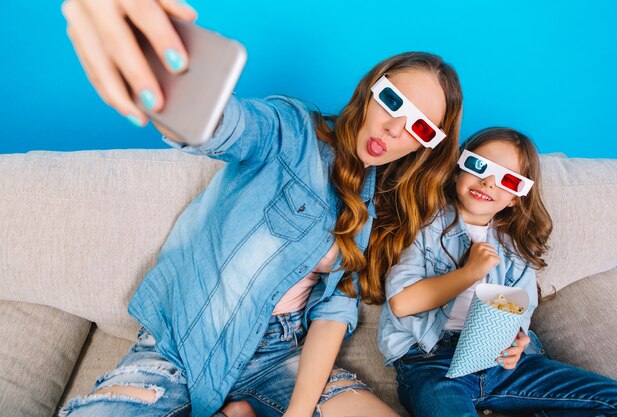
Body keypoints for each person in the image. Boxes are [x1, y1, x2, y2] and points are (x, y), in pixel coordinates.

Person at [59, 1, 464, 416]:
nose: (395, 128)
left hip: (280, 353)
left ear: (425, 144)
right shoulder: (292, 130)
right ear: (370, 89)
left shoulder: (379, 207)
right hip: (181, 345)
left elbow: (332, 312)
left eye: (419, 127)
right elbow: (230, 126)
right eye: (393, 101)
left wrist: (298, 412)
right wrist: (170, 89)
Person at [377, 127, 617, 417]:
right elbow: (402, 303)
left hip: (499, 363)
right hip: (431, 361)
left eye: (507, 179)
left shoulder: (517, 247)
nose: (488, 182)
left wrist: (519, 339)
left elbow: (519, 310)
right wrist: (469, 272)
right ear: (458, 169)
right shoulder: (426, 225)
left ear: (515, 198)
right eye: (479, 166)